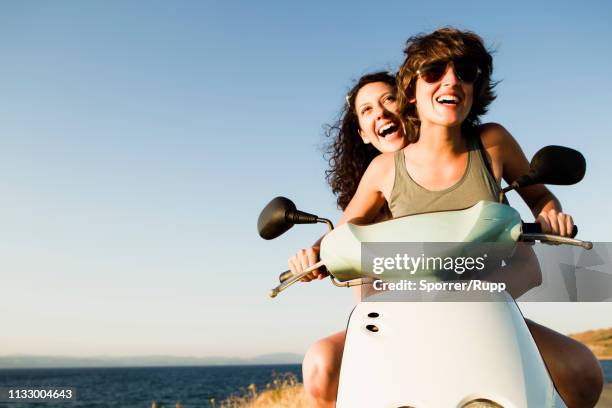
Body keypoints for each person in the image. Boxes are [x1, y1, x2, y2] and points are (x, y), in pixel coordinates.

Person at [296, 28, 604, 408]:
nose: (451, 81)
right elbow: (342, 233)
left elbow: (540, 196)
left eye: (466, 72)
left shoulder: (492, 141)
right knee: (321, 363)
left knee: (583, 371)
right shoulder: (384, 168)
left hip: (489, 305)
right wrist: (312, 255)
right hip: (406, 313)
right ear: (413, 89)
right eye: (433, 72)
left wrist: (551, 213)